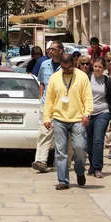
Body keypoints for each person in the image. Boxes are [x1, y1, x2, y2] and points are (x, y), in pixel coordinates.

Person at [44, 53, 94, 190]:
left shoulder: (82, 77)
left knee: (80, 148)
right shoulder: (54, 78)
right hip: (59, 118)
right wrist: (47, 118)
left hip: (78, 119)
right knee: (61, 152)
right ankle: (63, 180)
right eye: (63, 68)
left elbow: (88, 98)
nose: (66, 71)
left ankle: (79, 171)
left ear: (74, 63)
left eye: (68, 68)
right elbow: (49, 100)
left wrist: (87, 113)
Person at [31, 41, 64, 173]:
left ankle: (61, 161)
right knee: (44, 132)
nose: (50, 51)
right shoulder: (44, 64)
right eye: (49, 49)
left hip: (62, 104)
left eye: (53, 49)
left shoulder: (66, 65)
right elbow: (42, 83)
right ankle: (41, 161)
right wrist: (41, 98)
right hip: (46, 103)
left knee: (62, 134)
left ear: (61, 51)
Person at [86, 57, 111, 178]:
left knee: (98, 140)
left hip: (103, 113)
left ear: (104, 68)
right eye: (95, 66)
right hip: (88, 114)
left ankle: (98, 168)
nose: (97, 69)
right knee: (89, 142)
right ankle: (92, 164)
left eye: (100, 67)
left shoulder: (107, 81)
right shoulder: (87, 78)